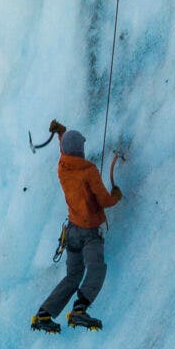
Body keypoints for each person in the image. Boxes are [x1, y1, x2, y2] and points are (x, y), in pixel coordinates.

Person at [32, 128, 124, 331]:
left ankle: (43, 315)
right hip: (89, 233)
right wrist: (116, 195)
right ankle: (79, 310)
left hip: (72, 231)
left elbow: (65, 150)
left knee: (73, 276)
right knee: (96, 268)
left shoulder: (62, 167)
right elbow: (105, 201)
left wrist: (60, 134)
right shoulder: (88, 171)